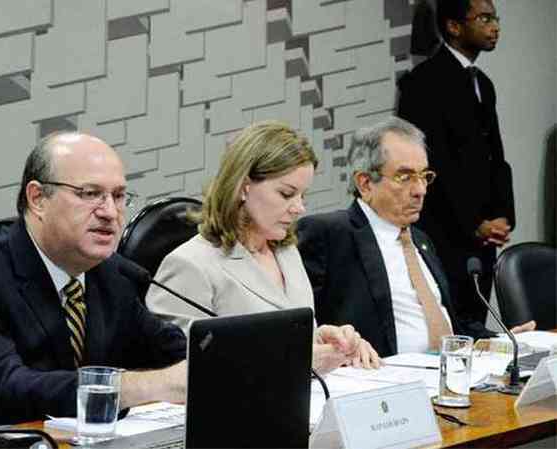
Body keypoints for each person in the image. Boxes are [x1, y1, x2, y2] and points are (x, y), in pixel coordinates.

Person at [0, 132, 187, 425]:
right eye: (90, 193)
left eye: (118, 196)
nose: (110, 212)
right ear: (38, 199)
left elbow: (170, 350)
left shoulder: (111, 272)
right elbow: (7, 388)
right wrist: (149, 385)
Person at [146, 121, 380, 371]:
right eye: (287, 194)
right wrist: (297, 358)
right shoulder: (189, 265)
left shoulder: (287, 252)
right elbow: (185, 371)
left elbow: (281, 336)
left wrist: (325, 342)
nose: (299, 207)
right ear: (243, 187)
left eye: (303, 195)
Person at [297, 117, 534, 357]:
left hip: (446, 375)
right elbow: (303, 328)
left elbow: (452, 323)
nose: (420, 190)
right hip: (379, 380)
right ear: (365, 183)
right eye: (405, 176)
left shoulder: (422, 240)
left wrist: (504, 341)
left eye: (424, 176)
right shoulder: (330, 233)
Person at [397, 0, 515, 326]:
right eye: (485, 18)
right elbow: (435, 166)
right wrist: (474, 222)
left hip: (485, 236)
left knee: (477, 323)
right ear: (454, 26)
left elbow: (495, 157)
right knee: (453, 328)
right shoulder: (424, 82)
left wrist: (503, 215)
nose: (495, 27)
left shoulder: (483, 83)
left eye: (496, 18)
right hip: (446, 234)